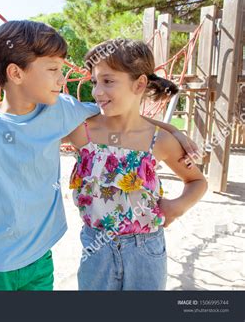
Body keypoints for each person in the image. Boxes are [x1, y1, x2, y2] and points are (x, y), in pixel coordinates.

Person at [0, 20, 100, 291]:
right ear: (16, 73)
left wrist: (172, 131)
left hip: (39, 261)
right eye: (53, 69)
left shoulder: (60, 110)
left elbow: (119, 112)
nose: (62, 79)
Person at [66, 39, 208, 290]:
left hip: (146, 250)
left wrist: (176, 207)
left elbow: (197, 181)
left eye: (108, 81)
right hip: (96, 247)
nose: (97, 91)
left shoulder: (160, 141)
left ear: (140, 83)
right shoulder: (81, 130)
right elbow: (29, 124)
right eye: (95, 82)